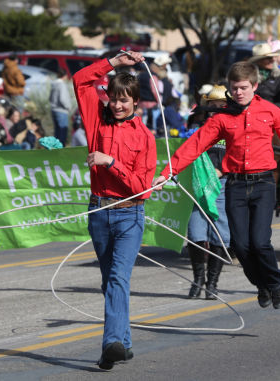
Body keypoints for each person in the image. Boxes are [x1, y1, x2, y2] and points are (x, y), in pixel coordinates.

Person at [152, 61, 280, 310]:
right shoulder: (222, 118)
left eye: (244, 87)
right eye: (235, 88)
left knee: (259, 242)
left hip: (263, 183)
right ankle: (261, 284)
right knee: (239, 245)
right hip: (236, 184)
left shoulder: (270, 112)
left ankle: (276, 281)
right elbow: (195, 145)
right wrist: (167, 172)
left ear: (255, 86)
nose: (239, 92)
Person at [73, 51, 157, 370]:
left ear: (136, 102)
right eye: (114, 99)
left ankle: (111, 344)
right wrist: (115, 62)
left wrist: (112, 162)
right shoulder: (96, 119)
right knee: (110, 280)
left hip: (129, 215)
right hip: (98, 212)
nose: (118, 105)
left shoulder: (145, 137)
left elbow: (141, 185)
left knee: (118, 278)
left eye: (125, 101)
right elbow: (80, 80)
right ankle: (124, 342)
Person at [184, 84, 231, 299]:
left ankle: (213, 283)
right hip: (198, 187)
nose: (217, 109)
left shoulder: (233, 129)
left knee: (219, 235)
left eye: (222, 105)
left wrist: (221, 171)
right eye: (213, 105)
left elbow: (239, 155)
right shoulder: (198, 128)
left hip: (221, 185)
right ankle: (198, 280)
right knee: (195, 233)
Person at [249, 42, 280, 113]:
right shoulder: (249, 77)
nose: (272, 60)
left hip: (274, 115)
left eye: (272, 57)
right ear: (258, 61)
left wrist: (267, 109)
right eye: (268, 58)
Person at [50, 67, 73, 145]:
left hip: (54, 110)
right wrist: (68, 107)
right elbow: (62, 99)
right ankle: (60, 151)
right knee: (62, 133)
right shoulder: (61, 85)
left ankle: (55, 150)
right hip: (61, 111)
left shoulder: (54, 84)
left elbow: (50, 98)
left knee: (57, 132)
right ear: (65, 76)